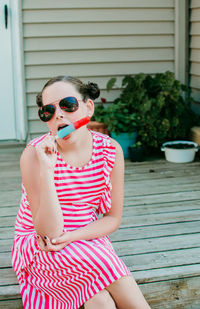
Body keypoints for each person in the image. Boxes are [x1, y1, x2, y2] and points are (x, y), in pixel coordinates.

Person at [11, 75, 151, 309]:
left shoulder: (110, 150)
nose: (59, 115)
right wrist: (47, 170)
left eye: (68, 105)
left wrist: (73, 237)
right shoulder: (34, 155)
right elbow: (50, 235)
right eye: (48, 111)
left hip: (86, 234)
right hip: (39, 243)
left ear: (88, 106)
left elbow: (113, 218)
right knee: (104, 262)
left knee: (101, 300)